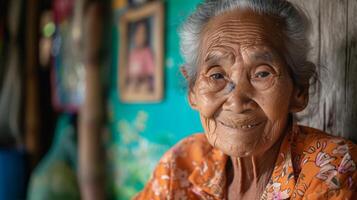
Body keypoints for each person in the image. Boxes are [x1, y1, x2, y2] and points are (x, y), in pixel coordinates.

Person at [134, 0, 357, 199]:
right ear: (192, 91)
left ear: (299, 90)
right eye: (217, 75)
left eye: (262, 73)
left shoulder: (330, 168)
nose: (237, 101)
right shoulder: (181, 163)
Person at [127, 20, 155, 93]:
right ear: (134, 35)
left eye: (144, 33)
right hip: (133, 83)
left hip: (143, 83)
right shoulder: (132, 54)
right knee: (130, 87)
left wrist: (141, 78)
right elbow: (128, 75)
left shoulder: (147, 52)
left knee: (145, 87)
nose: (142, 36)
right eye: (139, 33)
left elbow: (151, 73)